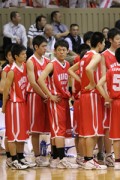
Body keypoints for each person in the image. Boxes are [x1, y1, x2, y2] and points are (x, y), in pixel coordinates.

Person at [68, 32, 107, 170]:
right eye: (104, 42)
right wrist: (92, 82)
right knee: (92, 131)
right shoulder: (96, 56)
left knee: (85, 132)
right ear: (100, 43)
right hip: (91, 95)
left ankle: (86, 159)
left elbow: (70, 70)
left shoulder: (84, 56)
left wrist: (82, 80)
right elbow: (90, 69)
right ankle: (89, 160)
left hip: (83, 95)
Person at [37, 40, 78, 169]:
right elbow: (40, 79)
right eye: (59, 50)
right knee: (58, 131)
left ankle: (54, 158)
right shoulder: (52, 64)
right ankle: (61, 159)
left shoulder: (67, 64)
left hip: (64, 100)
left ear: (67, 51)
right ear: (54, 51)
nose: (61, 52)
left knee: (58, 131)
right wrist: (49, 95)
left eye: (64, 50)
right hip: (55, 101)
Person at [2, 44, 35, 169]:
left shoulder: (25, 67)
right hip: (14, 104)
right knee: (13, 135)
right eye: (22, 54)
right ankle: (14, 160)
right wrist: (4, 106)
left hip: (23, 104)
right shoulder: (11, 71)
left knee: (21, 134)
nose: (25, 56)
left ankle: (21, 158)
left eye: (25, 53)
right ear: (16, 56)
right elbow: (5, 90)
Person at [26, 35, 50, 167]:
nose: (46, 49)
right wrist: (44, 95)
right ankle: (37, 156)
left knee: (47, 127)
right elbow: (33, 83)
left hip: (45, 96)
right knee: (35, 129)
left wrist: (49, 94)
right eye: (43, 46)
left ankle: (52, 154)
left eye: (46, 46)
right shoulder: (30, 61)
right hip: (35, 96)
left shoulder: (47, 60)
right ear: (36, 47)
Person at [100, 28, 120, 167]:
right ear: (110, 40)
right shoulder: (105, 55)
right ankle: (109, 154)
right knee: (108, 126)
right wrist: (106, 97)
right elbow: (103, 77)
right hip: (111, 95)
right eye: (117, 39)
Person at [0, 46, 14, 168]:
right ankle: (10, 156)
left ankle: (18, 155)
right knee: (9, 132)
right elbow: (2, 89)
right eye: (9, 55)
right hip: (10, 103)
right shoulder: (6, 69)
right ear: (7, 57)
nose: (12, 57)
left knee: (15, 132)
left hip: (19, 103)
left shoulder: (21, 67)